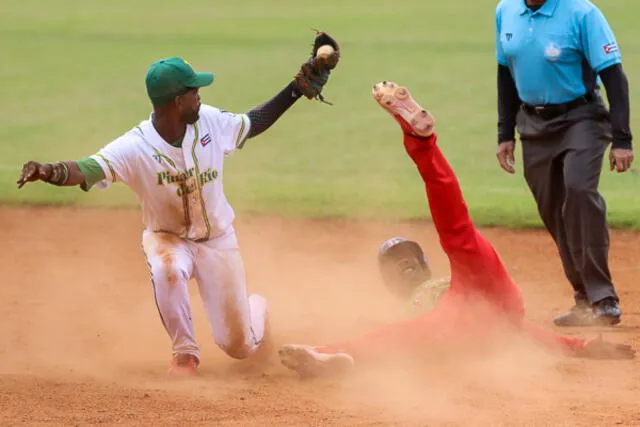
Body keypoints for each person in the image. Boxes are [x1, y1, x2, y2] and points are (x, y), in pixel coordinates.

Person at [16, 32, 341, 376]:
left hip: (218, 240)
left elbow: (252, 123)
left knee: (240, 347)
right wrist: (49, 171)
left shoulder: (210, 121)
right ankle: (184, 354)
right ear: (175, 101)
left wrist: (293, 92)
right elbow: (87, 168)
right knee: (166, 268)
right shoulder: (134, 147)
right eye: (193, 91)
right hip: (167, 237)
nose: (199, 96)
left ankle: (258, 312)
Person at [278, 81, 635, 379]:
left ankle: (420, 138)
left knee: (456, 230)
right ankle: (326, 356)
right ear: (387, 284)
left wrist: (581, 346)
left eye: (408, 258)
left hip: (479, 300)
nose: (404, 266)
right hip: (456, 327)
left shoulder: (443, 291)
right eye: (395, 263)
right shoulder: (412, 317)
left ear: (426, 264)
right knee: (385, 339)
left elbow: (515, 327)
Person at [494, 0, 633, 326]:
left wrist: (622, 139)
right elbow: (505, 73)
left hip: (581, 117)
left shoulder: (582, 13)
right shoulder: (505, 11)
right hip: (533, 124)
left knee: (579, 191)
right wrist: (505, 133)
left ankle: (604, 297)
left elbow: (614, 76)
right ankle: (584, 299)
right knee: (553, 210)